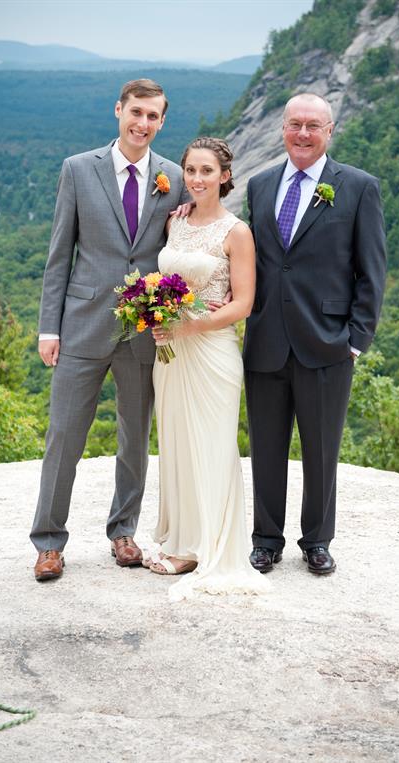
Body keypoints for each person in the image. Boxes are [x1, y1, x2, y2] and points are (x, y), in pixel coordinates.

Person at [30, 79, 191, 581]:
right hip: (81, 324)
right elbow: (60, 255)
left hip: (143, 328)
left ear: (162, 122)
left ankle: (123, 531)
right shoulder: (79, 169)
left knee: (134, 437)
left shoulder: (173, 178)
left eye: (153, 116)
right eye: (135, 112)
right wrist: (48, 327)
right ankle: (49, 542)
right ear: (118, 110)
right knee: (64, 437)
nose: (142, 123)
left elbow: (177, 248)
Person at [244, 93, 387, 575]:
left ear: (330, 131)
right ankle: (266, 538)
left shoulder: (359, 187)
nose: (302, 134)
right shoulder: (260, 185)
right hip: (265, 339)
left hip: (327, 342)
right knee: (266, 446)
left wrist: (356, 338)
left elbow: (372, 271)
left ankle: (317, 540)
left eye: (313, 126)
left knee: (321, 449)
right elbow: (256, 259)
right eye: (294, 124)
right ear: (282, 129)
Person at [146, 137, 270, 602]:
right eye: (190, 170)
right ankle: (182, 541)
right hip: (170, 354)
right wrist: (157, 317)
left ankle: (210, 548)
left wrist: (191, 326)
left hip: (211, 351)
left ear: (223, 176)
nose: (197, 179)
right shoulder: (175, 221)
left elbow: (243, 304)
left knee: (213, 446)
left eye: (206, 171)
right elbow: (165, 283)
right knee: (176, 442)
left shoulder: (236, 232)